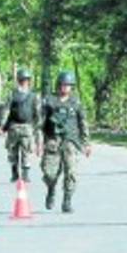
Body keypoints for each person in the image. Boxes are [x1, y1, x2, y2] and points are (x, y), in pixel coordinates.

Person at [41, 70, 91, 213]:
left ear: (71, 87)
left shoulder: (76, 103)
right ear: (58, 85)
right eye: (62, 85)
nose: (65, 87)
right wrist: (39, 141)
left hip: (71, 142)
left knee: (71, 172)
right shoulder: (49, 101)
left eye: (68, 85)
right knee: (49, 173)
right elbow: (41, 122)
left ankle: (67, 200)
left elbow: (83, 123)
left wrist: (86, 143)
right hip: (52, 141)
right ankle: (51, 190)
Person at [0, 68, 41, 182]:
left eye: (26, 80)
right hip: (14, 127)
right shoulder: (12, 94)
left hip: (27, 127)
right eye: (22, 80)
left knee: (26, 151)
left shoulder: (34, 96)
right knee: (12, 151)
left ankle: (25, 174)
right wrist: (1, 125)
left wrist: (38, 130)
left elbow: (37, 113)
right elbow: (6, 110)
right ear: (18, 80)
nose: (24, 82)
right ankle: (14, 173)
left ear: (29, 81)